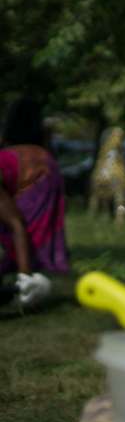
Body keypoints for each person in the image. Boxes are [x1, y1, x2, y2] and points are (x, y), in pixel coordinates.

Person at [0, 97, 69, 307]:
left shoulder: (6, 159)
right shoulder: (45, 155)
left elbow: (16, 225)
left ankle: (24, 286)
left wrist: (24, 279)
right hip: (42, 172)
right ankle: (24, 283)